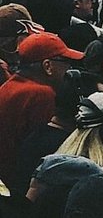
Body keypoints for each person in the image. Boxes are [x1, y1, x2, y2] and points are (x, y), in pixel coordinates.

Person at [0, 32, 82, 193]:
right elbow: (44, 146)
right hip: (15, 184)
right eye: (65, 61)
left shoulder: (11, 85)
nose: (69, 69)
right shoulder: (42, 94)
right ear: (47, 66)